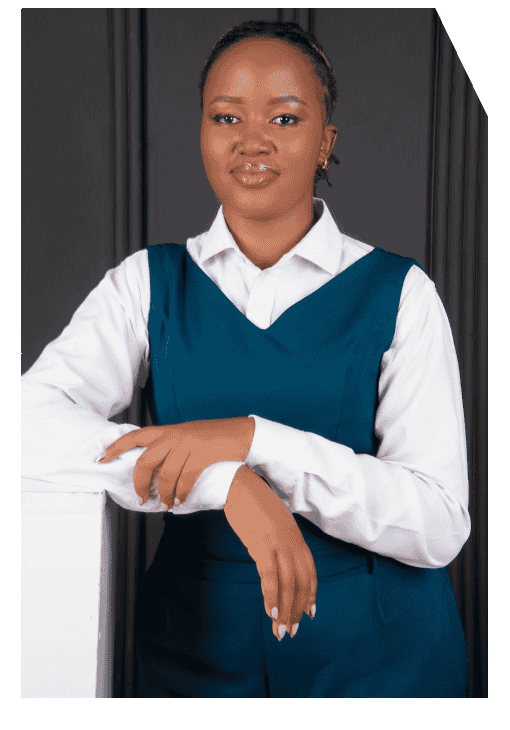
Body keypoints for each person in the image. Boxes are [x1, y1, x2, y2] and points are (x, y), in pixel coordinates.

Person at [21, 20, 470, 697]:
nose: (251, 141)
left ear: (326, 142)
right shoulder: (148, 283)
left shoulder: (401, 293)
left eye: (285, 118)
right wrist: (226, 479)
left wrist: (260, 442)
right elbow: (27, 424)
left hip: (383, 664)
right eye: (226, 116)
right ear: (202, 132)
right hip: (196, 656)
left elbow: (438, 523)